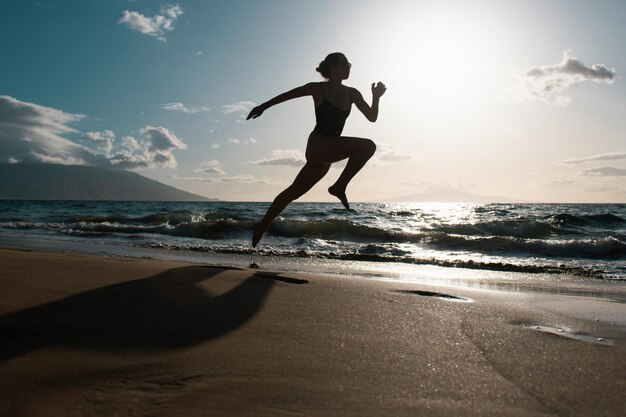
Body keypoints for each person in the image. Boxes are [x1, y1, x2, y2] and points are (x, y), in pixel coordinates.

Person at [247, 52, 386, 248]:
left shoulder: (352, 93)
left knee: (293, 193)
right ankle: (339, 187)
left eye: (349, 64)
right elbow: (287, 95)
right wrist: (263, 106)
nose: (349, 67)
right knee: (368, 146)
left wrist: (376, 97)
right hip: (318, 145)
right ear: (332, 68)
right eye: (345, 64)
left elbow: (372, 117)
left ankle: (261, 226)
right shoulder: (317, 88)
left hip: (327, 154)